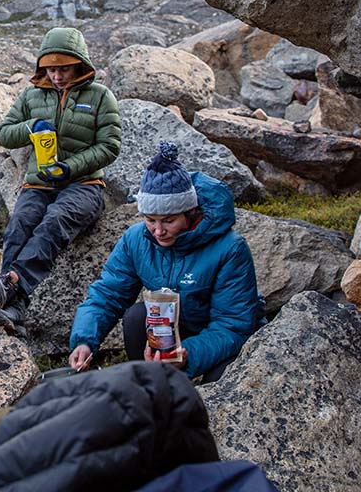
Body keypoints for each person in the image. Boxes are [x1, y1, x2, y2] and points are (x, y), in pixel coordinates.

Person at [68, 141, 263, 382]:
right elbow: (108, 294)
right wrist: (85, 341)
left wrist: (187, 355)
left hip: (222, 337)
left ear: (190, 213)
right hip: (171, 331)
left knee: (222, 377)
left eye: (169, 221)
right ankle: (152, 388)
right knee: (137, 318)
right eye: (150, 219)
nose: (158, 231)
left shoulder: (230, 249)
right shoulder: (137, 240)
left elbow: (233, 324)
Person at [0, 26, 122, 334]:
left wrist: (70, 167)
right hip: (39, 183)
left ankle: (11, 285)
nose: (57, 76)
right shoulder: (32, 95)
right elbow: (5, 134)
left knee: (55, 221)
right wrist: (32, 125)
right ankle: (11, 310)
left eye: (64, 68)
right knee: (20, 223)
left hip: (84, 185)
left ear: (79, 64)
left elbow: (110, 146)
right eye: (51, 69)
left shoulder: (100, 97)